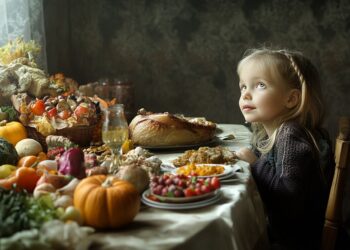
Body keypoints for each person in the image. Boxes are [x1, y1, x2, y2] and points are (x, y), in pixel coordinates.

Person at [235, 48, 334, 250]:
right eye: (243, 86)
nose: (245, 94)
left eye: (259, 85)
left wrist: (255, 163)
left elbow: (288, 197)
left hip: (295, 242)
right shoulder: (274, 133)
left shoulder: (290, 135)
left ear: (291, 99)